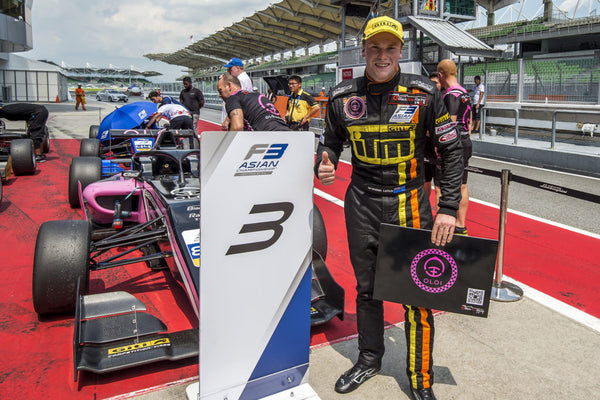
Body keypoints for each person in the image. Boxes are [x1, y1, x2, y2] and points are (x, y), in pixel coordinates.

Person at [314, 16, 463, 400]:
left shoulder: (424, 93)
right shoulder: (342, 96)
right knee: (367, 289)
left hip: (411, 202)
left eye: (390, 48)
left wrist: (448, 206)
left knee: (417, 295)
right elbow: (330, 141)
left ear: (402, 51)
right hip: (361, 201)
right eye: (375, 48)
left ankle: (420, 378)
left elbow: (451, 149)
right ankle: (369, 358)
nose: (383, 56)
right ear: (363, 50)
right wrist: (325, 160)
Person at [437, 59, 473, 236]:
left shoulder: (451, 95)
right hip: (466, 140)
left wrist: (441, 145)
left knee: (448, 184)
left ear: (441, 75)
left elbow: (449, 122)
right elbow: (470, 120)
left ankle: (449, 221)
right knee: (463, 185)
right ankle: (461, 223)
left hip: (455, 145)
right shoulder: (465, 92)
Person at [217, 73, 289, 131]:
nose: (220, 95)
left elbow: (237, 127)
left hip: (268, 136)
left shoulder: (232, 98)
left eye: (220, 91)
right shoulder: (257, 95)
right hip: (288, 133)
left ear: (229, 86)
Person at [221, 57, 253, 130]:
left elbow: (238, 101)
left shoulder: (241, 80)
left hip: (236, 118)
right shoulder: (241, 79)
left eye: (230, 69)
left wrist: (227, 120)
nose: (228, 71)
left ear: (238, 68)